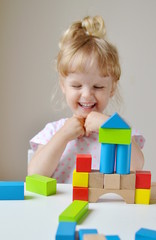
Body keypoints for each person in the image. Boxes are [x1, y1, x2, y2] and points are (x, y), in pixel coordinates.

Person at [28, 16, 145, 183]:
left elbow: (137, 165)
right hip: (62, 208)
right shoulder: (54, 131)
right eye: (76, 86)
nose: (87, 95)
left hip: (107, 206)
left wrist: (109, 127)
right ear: (63, 85)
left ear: (112, 88)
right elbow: (34, 175)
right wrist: (63, 136)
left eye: (98, 87)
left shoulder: (118, 127)